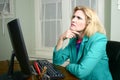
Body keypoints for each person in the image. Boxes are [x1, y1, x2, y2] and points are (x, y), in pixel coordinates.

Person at [52, 6, 112, 80]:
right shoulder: (74, 40)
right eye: (73, 17)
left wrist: (68, 66)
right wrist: (61, 39)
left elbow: (81, 72)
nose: (73, 20)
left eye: (78, 18)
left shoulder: (98, 39)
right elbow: (57, 61)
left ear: (88, 22)